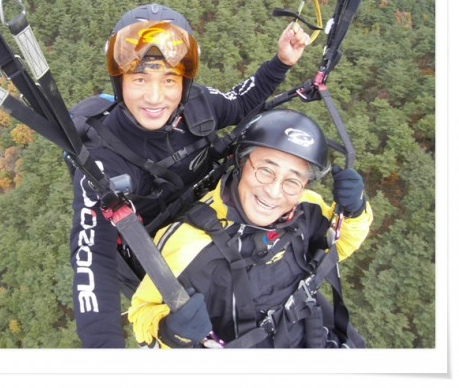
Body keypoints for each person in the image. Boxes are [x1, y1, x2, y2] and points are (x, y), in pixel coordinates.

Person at [69, 3, 311, 348]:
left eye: (169, 80)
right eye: (139, 79)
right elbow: (92, 257)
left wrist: (281, 62)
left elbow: (241, 102)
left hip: (215, 226)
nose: (155, 97)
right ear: (120, 83)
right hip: (165, 259)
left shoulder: (199, 104)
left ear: (184, 83)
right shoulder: (103, 158)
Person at [128, 109, 373, 348]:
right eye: (266, 170)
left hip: (317, 337)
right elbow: (142, 313)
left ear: (304, 184)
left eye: (292, 180)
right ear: (242, 162)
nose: (274, 192)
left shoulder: (306, 207)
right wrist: (169, 332)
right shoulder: (187, 243)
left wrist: (355, 211)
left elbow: (339, 245)